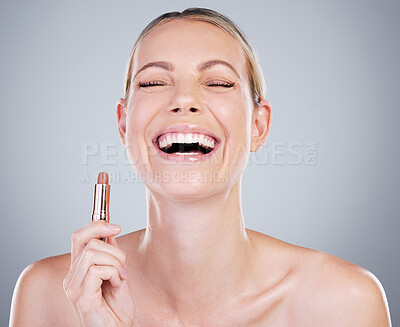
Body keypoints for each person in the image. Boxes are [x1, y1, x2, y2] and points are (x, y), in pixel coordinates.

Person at [9, 7, 391, 326]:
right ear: (124, 124)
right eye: (155, 82)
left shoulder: (342, 304)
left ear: (258, 126)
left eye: (219, 83)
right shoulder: (47, 296)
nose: (184, 100)